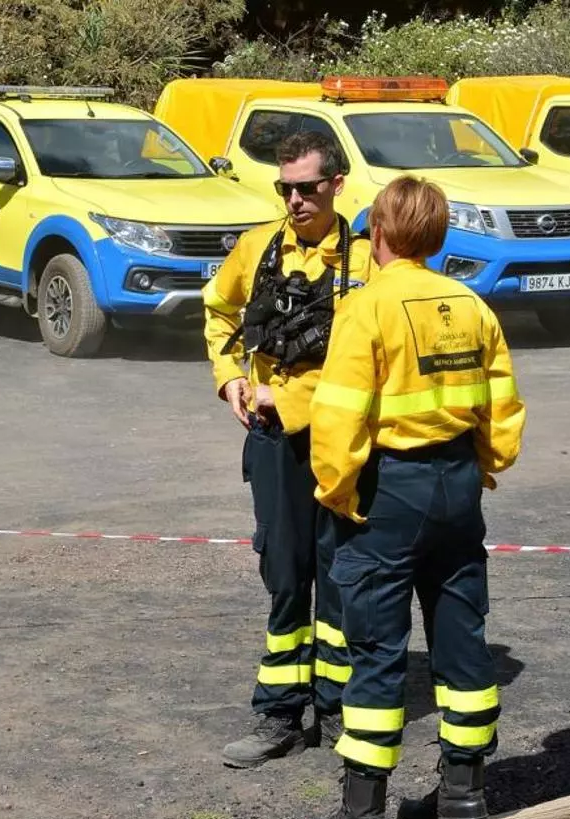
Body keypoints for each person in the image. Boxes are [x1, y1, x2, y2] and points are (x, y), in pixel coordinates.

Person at [304, 175, 526, 819]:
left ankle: (362, 817)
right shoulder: (472, 305)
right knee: (463, 638)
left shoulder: (366, 308)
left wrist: (337, 491)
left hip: (389, 491)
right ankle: (465, 797)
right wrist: (481, 467)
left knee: (376, 646)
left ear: (380, 232)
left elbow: (339, 415)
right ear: (437, 234)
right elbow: (502, 408)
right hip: (458, 486)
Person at [203, 132, 375, 768]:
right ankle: (279, 713)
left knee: (340, 574)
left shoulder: (367, 262)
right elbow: (218, 313)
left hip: (343, 440)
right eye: (285, 189)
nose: (295, 200)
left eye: (306, 187)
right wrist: (229, 377)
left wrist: (293, 398)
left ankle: (337, 707)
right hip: (275, 442)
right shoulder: (257, 248)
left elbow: (378, 354)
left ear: (337, 184)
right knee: (284, 573)